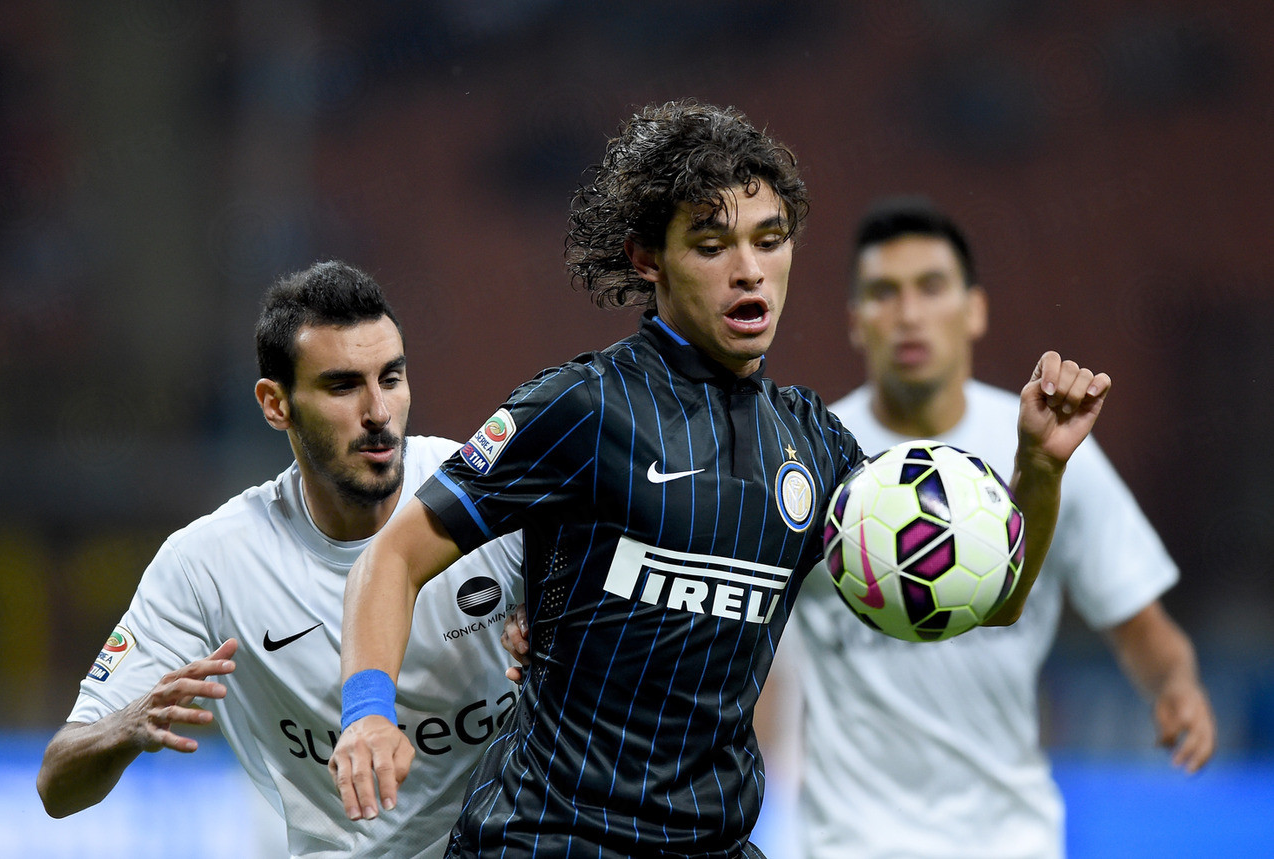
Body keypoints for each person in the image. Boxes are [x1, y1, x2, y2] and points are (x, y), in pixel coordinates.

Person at [329, 101, 1110, 859]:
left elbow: (995, 599)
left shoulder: (815, 446)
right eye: (712, 244)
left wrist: (1040, 469)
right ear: (648, 258)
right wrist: (367, 711)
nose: (749, 271)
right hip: (550, 836)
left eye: (770, 240)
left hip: (712, 842)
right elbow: (392, 557)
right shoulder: (582, 407)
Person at [769, 197, 1216, 859]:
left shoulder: (1050, 447)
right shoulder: (805, 463)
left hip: (1007, 839)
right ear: (856, 321)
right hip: (847, 842)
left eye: (931, 287)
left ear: (974, 309)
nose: (909, 314)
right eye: (884, 293)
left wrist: (1176, 685)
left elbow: (1139, 622)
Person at [36, 261, 524, 859]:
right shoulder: (209, 566)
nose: (378, 412)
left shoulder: (486, 492)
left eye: (391, 378)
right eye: (343, 386)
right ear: (276, 404)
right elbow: (57, 785)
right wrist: (128, 723)